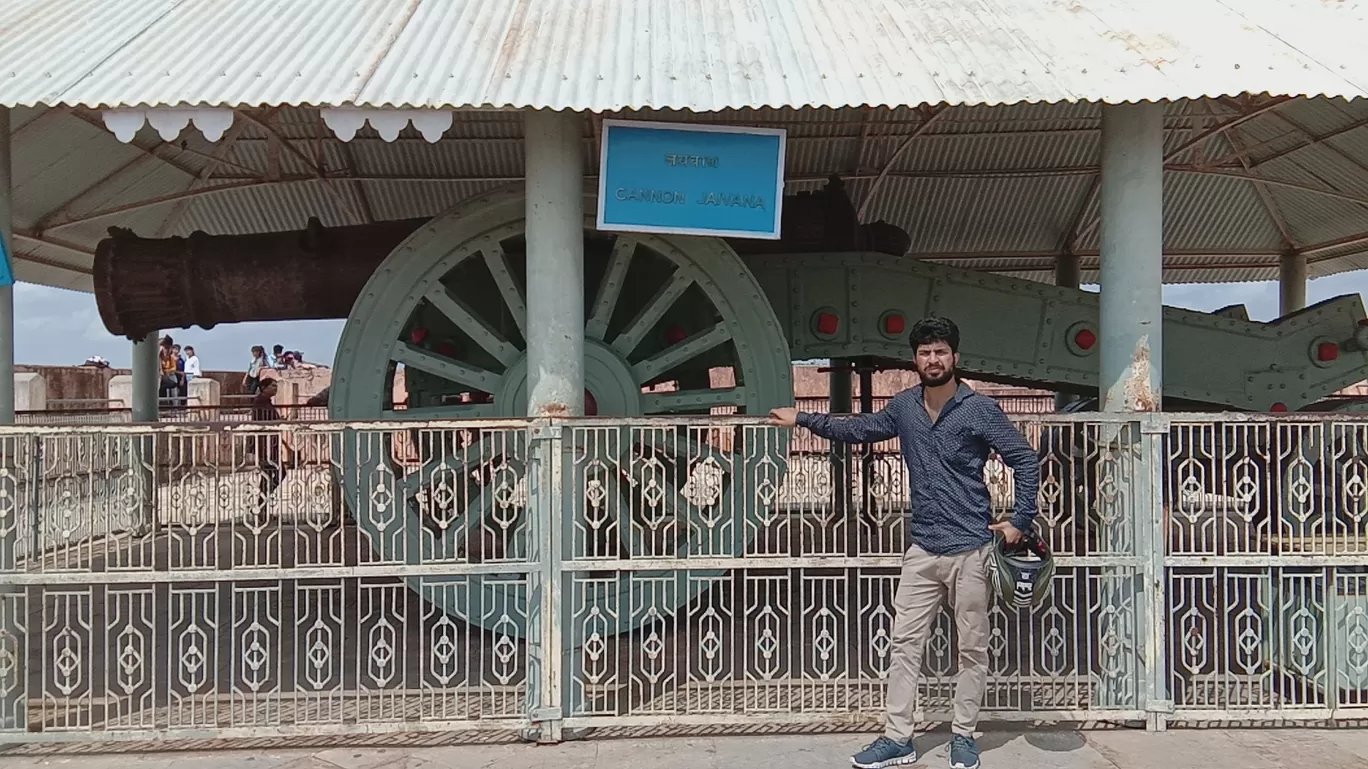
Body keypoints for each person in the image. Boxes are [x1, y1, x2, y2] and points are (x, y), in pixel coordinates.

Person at [767, 316, 1040, 769]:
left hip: (971, 549)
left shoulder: (980, 410)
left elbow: (1024, 461)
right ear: (915, 359)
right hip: (922, 551)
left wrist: (1020, 521)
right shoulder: (905, 407)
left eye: (940, 351)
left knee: (971, 648)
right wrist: (803, 418)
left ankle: (964, 735)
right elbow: (859, 431)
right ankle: (898, 738)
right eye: (925, 352)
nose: (933, 359)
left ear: (955, 357)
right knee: (904, 645)